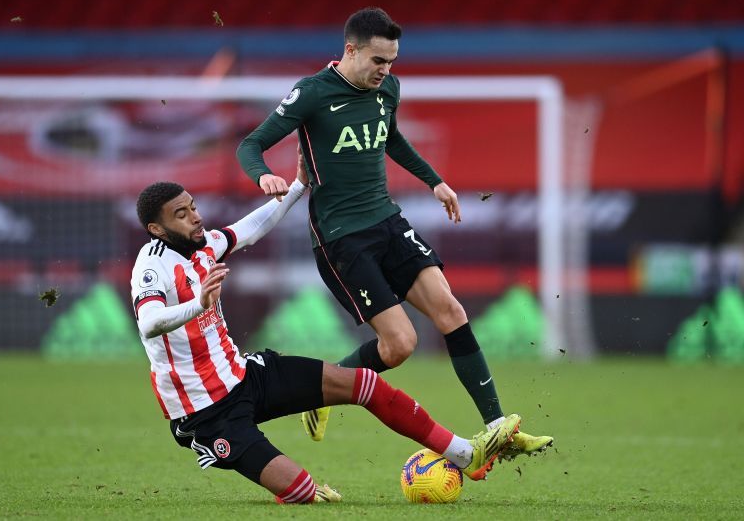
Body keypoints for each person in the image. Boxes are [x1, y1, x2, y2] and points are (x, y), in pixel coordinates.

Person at [236, 7, 552, 460]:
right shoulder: (311, 93)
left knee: (450, 310)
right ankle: (320, 393)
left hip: (387, 220)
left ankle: (498, 427)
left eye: (392, 62)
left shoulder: (388, 89)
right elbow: (250, 144)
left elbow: (392, 138)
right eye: (378, 61)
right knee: (401, 345)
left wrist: (434, 180)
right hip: (341, 238)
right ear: (351, 50)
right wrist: (264, 175)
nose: (386, 71)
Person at [130, 162, 522, 503]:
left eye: (193, 207)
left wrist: (299, 184)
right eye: (181, 214)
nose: (195, 217)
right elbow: (148, 323)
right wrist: (197, 305)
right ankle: (287, 482)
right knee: (301, 492)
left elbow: (249, 228)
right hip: (206, 411)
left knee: (364, 383)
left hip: (245, 375)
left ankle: (466, 455)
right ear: (156, 228)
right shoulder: (151, 267)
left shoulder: (203, 247)